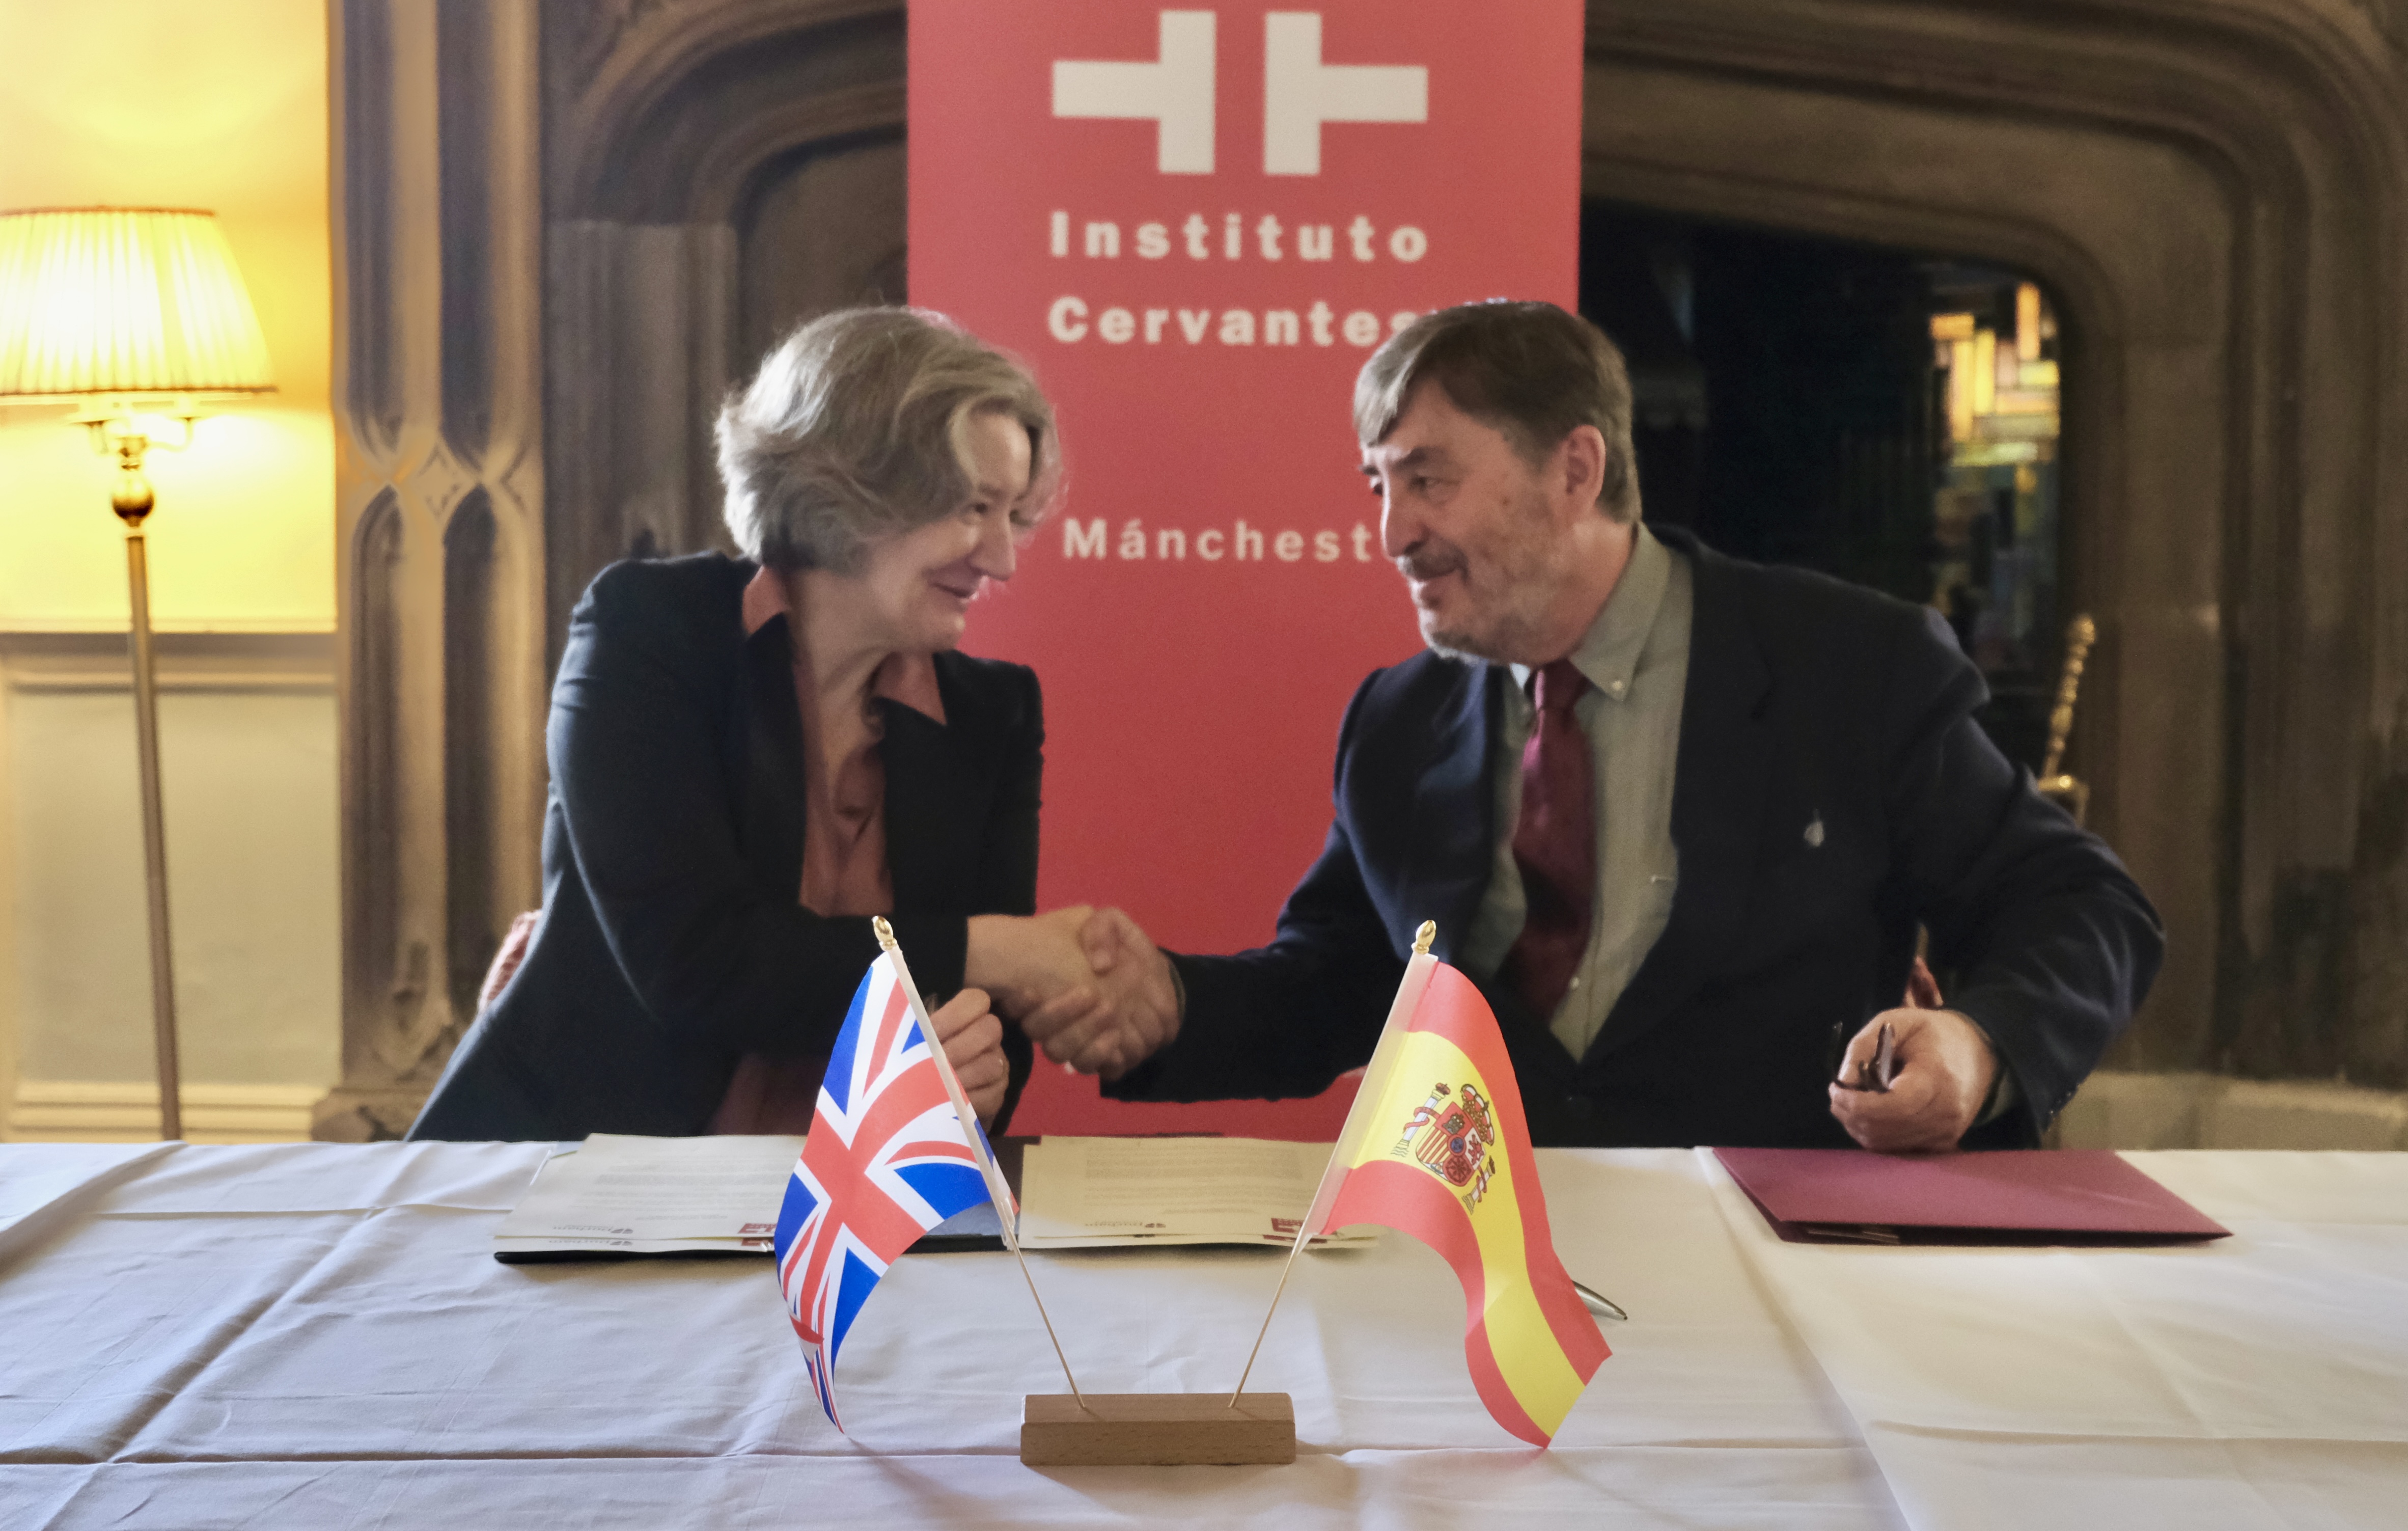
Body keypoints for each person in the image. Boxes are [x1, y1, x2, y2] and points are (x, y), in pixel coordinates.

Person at [1007, 300, 2163, 1152]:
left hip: (1790, 1265)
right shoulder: (1401, 722)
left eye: (1428, 480)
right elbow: (1343, 984)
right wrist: (1169, 1005)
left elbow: (2079, 905)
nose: (1390, 533)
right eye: (1377, 487)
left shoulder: (1847, 667)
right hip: (1492, 1286)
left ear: (1574, 469)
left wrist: (1976, 1041)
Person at [410, 307, 1097, 1142]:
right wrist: (991, 949)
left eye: (1012, 517)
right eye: (971, 508)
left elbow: (987, 1033)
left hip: (850, 1212)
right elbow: (700, 964)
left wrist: (979, 1075)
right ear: (852, 486)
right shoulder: (650, 633)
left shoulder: (993, 713)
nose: (1001, 557)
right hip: (565, 1189)